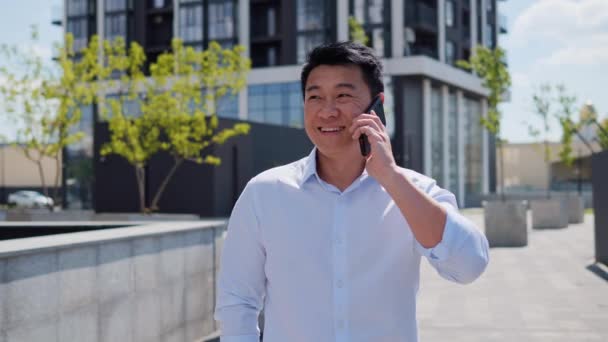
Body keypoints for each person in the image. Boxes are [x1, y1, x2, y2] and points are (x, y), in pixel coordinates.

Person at [214, 42, 489, 342]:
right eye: (315, 97)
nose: (327, 111)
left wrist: (391, 177)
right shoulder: (264, 193)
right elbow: (237, 301)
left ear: (377, 104)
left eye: (343, 95)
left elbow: (469, 265)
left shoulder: (412, 190)